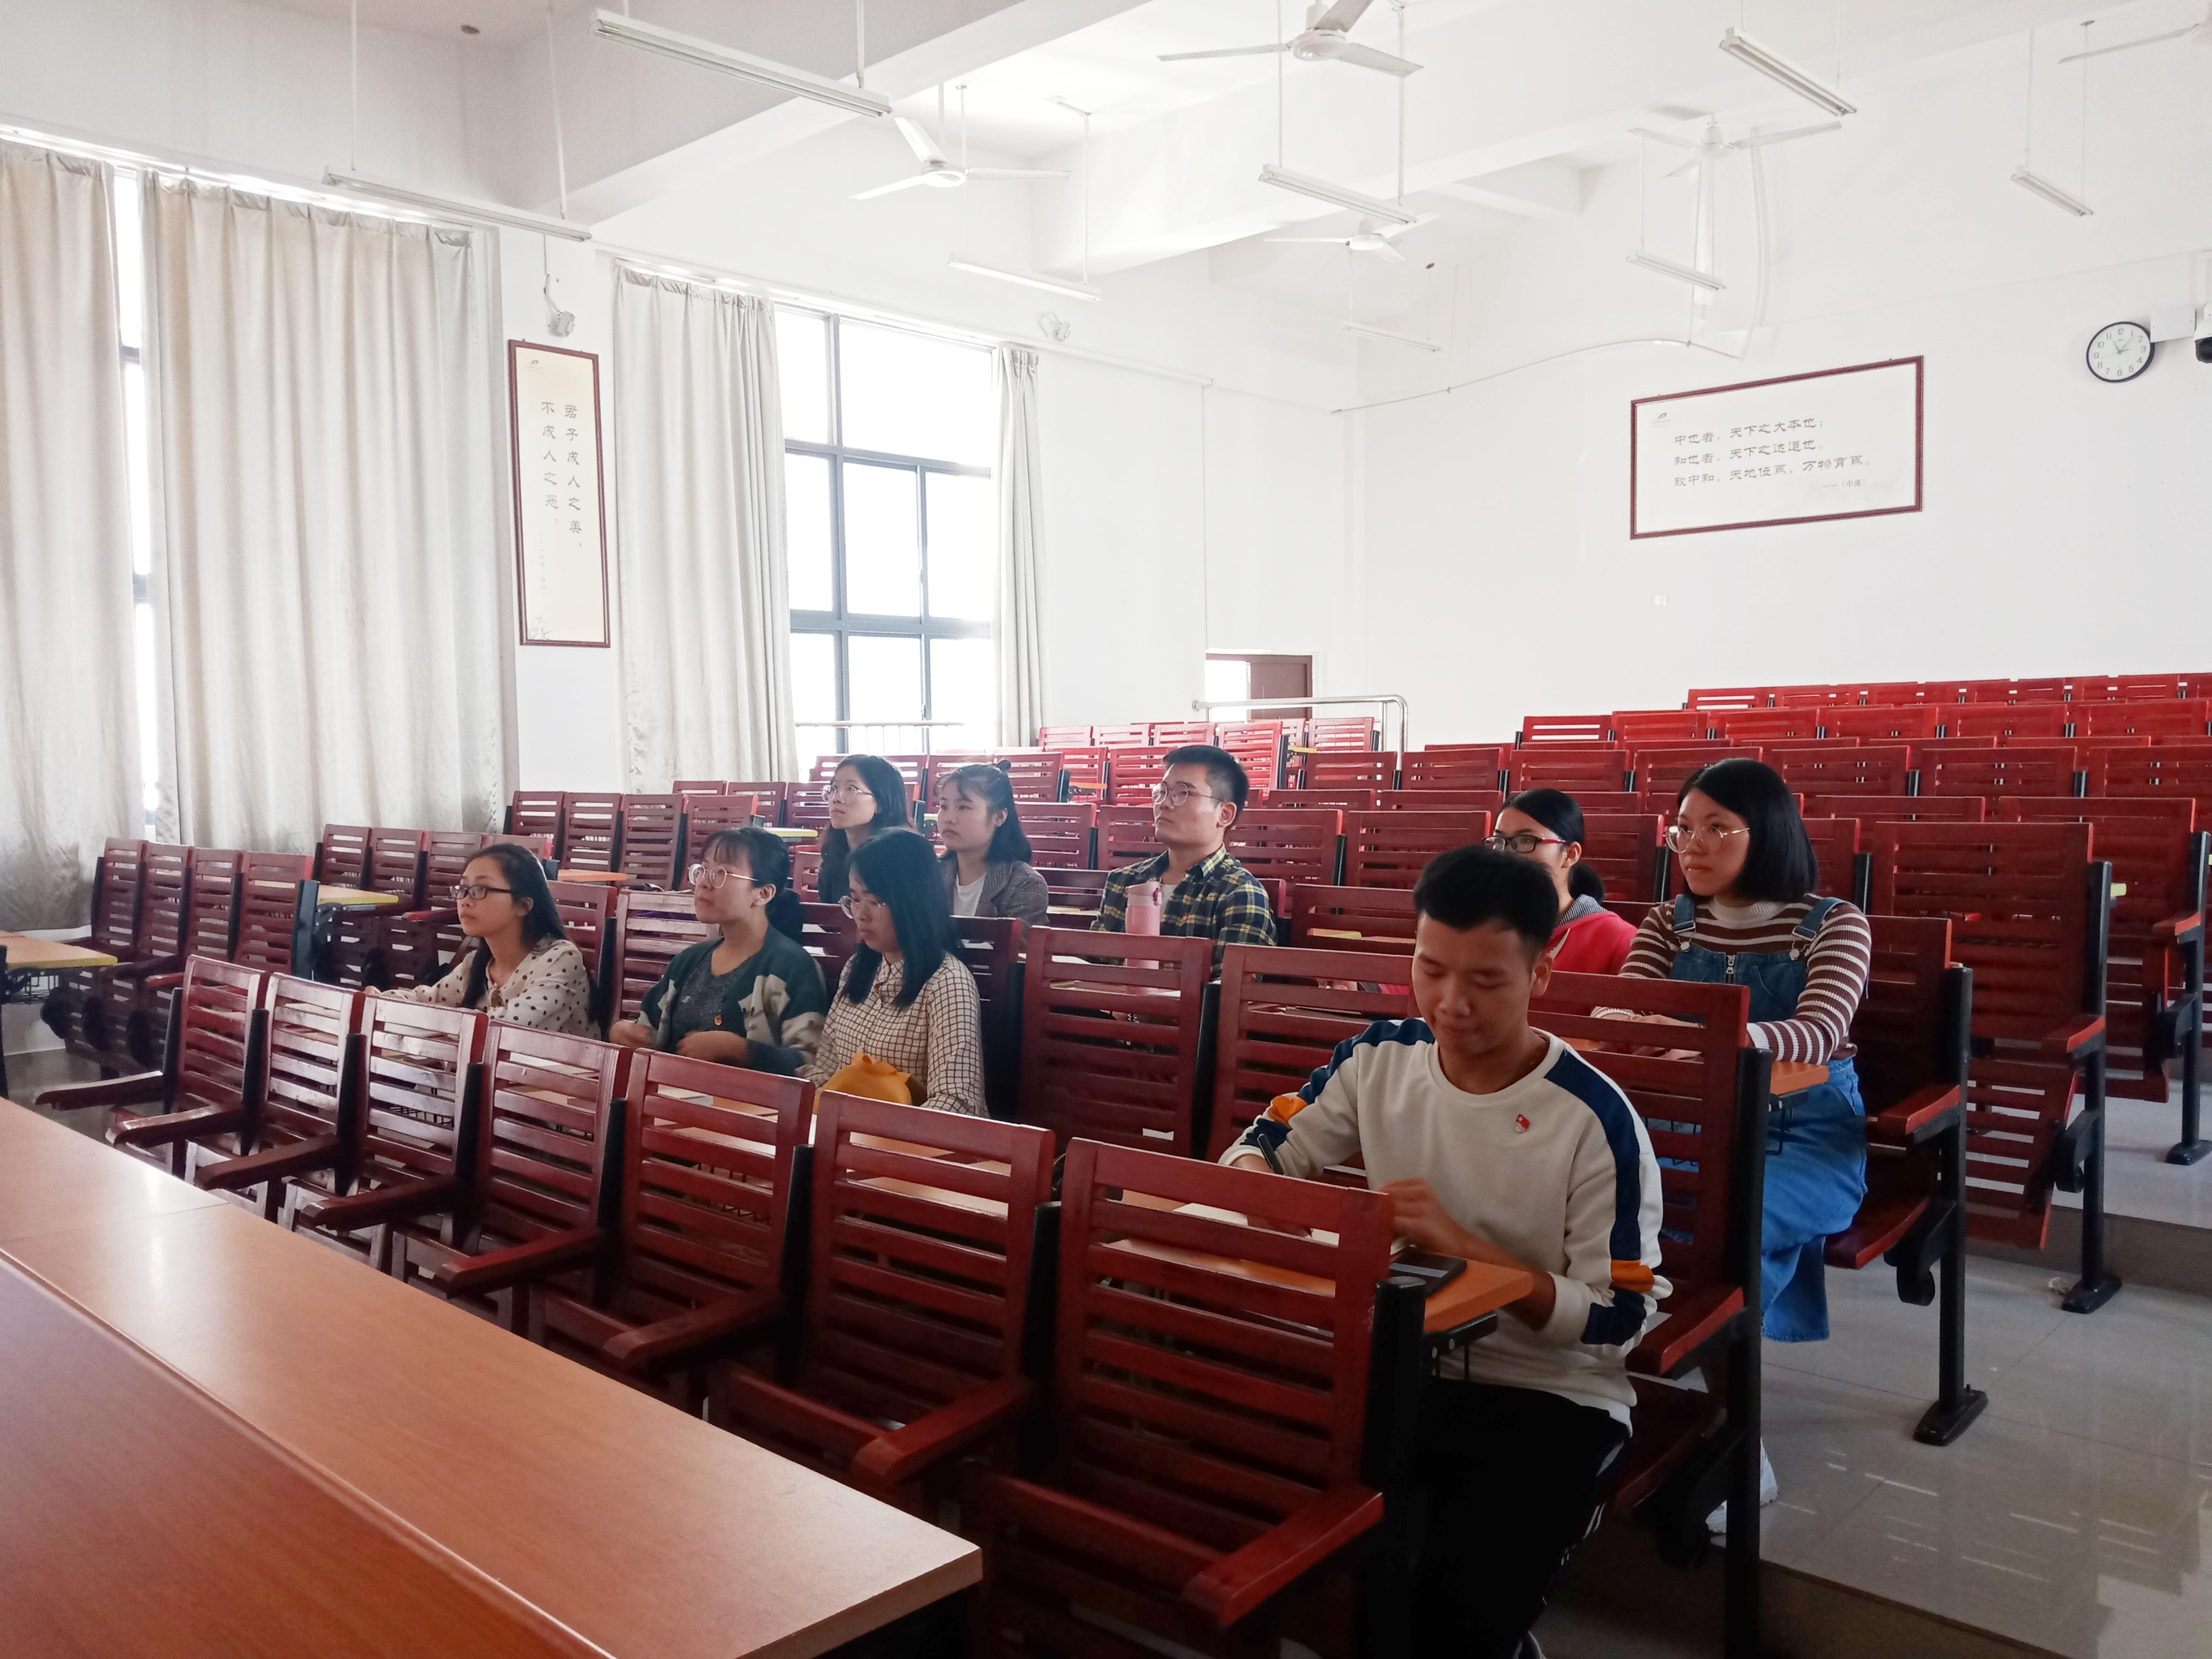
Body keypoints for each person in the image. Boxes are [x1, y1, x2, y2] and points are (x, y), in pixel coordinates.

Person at [1220, 847, 1664, 1659]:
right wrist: (1268, 1198)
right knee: (1244, 1528)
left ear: (1541, 973)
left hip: (1546, 1396)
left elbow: (1621, 1320)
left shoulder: (1593, 1119)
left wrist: (1467, 1253)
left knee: (1453, 1627)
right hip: (1395, 1364)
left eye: (1486, 981)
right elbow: (1261, 1147)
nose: (1451, 1004)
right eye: (1431, 969)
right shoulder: (1378, 1057)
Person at [1618, 758, 1872, 1529]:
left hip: (1803, 1135)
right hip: (1688, 1122)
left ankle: (1738, 1433)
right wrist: (1646, 1030)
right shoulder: (1668, 921)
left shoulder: (1832, 923)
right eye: (1682, 828)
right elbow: (1629, 1013)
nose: (1692, 845)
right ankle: (1609, 1392)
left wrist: (1703, 1039)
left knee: (1720, 1229)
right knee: (1594, 1200)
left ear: (1767, 834)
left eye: (1716, 828)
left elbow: (1818, 1032)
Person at [609, 827, 827, 1073]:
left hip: (744, 1098)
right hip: (669, 1091)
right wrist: (624, 1033)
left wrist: (741, 1051)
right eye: (703, 870)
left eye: (721, 874)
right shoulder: (689, 960)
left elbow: (811, 1063)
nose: (704, 883)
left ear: (763, 893)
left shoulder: (791, 967)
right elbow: (648, 1029)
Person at [805, 828, 986, 1115]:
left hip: (904, 1138)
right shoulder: (857, 968)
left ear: (914, 901)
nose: (861, 914)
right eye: (854, 899)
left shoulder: (947, 982)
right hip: (842, 1132)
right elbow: (827, 1072)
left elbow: (956, 1101)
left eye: (875, 901)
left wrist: (881, 1130)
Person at [381, 843, 594, 1035]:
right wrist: (379, 1001)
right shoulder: (476, 964)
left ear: (524, 905)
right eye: (463, 889)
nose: (465, 901)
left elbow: (508, 1030)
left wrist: (440, 1018)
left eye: (481, 890)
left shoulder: (561, 959)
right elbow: (424, 999)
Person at [1092, 744, 1277, 965]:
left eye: (1183, 793)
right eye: (1162, 792)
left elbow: (1231, 983)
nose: (1164, 804)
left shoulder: (1239, 894)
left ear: (1225, 814)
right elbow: (1092, 966)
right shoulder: (1123, 881)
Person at [1493, 788, 1640, 974]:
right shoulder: (1481, 927)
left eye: (1526, 841)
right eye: (1499, 840)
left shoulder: (1618, 940)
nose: (1506, 853)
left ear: (1571, 854)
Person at [934, 763, 1049, 927]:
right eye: (944, 806)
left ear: (999, 817)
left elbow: (1016, 943)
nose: (949, 818)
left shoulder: (1025, 884)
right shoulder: (931, 874)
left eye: (963, 807)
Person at [817, 754, 911, 905]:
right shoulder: (833, 858)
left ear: (881, 803)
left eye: (851, 789)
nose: (836, 798)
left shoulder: (902, 863)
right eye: (834, 788)